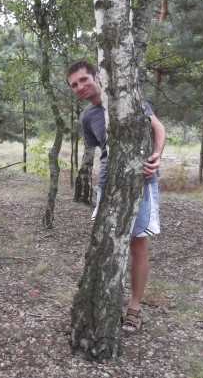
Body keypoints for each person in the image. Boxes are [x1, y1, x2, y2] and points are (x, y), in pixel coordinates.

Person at [66, 60, 166, 334]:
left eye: (84, 79)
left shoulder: (128, 101)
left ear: (97, 76)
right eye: (74, 85)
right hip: (107, 186)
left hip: (139, 184)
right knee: (105, 245)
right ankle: (104, 300)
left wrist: (156, 156)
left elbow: (158, 128)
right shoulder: (87, 117)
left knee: (137, 245)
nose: (80, 87)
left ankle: (134, 307)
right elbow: (103, 151)